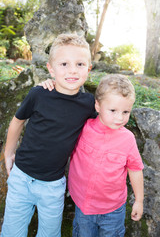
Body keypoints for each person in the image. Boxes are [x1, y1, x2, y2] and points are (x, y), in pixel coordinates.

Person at [1, 33, 96, 237]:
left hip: (54, 185)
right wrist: (8, 153)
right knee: (11, 232)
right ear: (51, 69)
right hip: (21, 178)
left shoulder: (89, 104)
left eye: (80, 64)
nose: (72, 70)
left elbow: (108, 117)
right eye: (63, 64)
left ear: (88, 68)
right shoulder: (39, 94)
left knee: (50, 234)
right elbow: (18, 121)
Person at [68, 74, 144, 237]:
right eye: (113, 110)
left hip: (112, 210)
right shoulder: (83, 128)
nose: (119, 117)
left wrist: (139, 200)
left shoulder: (127, 139)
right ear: (97, 106)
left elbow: (136, 169)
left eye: (125, 112)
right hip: (83, 206)